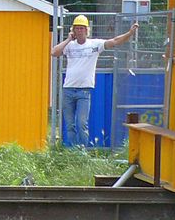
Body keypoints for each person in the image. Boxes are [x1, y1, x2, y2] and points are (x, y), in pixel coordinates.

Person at [51, 15, 138, 147]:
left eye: (82, 28)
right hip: (68, 89)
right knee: (69, 125)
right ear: (73, 30)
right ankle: (72, 153)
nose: (79, 31)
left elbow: (114, 41)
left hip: (84, 91)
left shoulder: (94, 44)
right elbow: (54, 52)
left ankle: (83, 152)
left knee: (81, 123)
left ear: (87, 30)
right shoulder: (69, 46)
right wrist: (68, 39)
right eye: (77, 28)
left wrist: (130, 33)